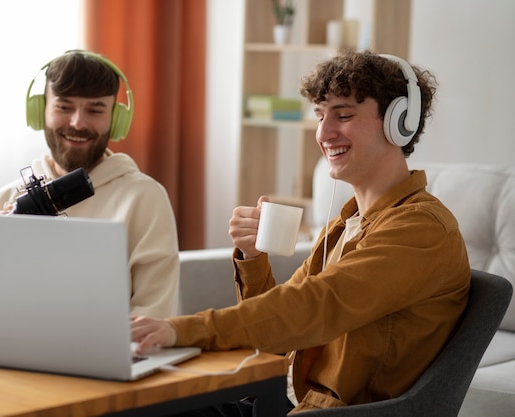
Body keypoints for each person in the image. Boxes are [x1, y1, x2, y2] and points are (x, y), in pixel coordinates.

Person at [131, 50, 470, 414]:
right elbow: (279, 334)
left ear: (398, 122)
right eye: (320, 115)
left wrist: (181, 330)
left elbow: (313, 307)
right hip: (288, 403)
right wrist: (252, 257)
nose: (323, 133)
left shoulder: (419, 229)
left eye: (343, 115)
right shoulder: (346, 223)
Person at [0, 50, 179, 319]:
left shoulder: (145, 198)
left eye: (95, 110)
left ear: (116, 120)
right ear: (39, 111)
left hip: (108, 356)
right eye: (64, 107)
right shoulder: (6, 197)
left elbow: (153, 316)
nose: (77, 123)